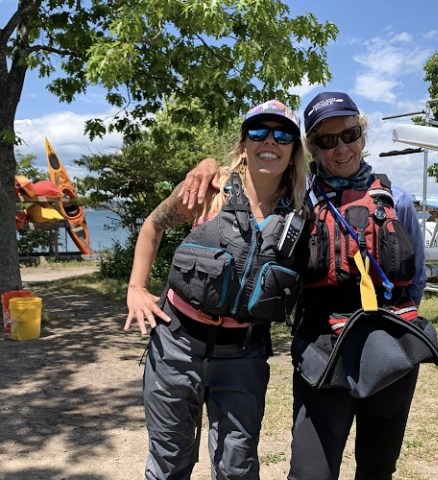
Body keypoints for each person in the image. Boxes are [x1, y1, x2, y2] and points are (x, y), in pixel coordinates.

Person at [181, 91, 428, 480]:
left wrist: (396, 321)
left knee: (378, 468)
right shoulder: (297, 197)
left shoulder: (397, 200)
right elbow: (245, 179)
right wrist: (207, 164)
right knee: (311, 472)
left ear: (362, 135)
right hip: (322, 348)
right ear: (310, 148)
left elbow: (416, 279)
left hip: (390, 343)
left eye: (349, 134)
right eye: (326, 141)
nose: (341, 148)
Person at [125, 99, 309, 479]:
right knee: (169, 462)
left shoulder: (300, 212)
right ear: (244, 143)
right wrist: (136, 287)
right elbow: (154, 225)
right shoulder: (208, 189)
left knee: (236, 467)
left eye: (283, 134)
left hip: (243, 355)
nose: (269, 141)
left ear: (294, 151)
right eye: (259, 131)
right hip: (177, 347)